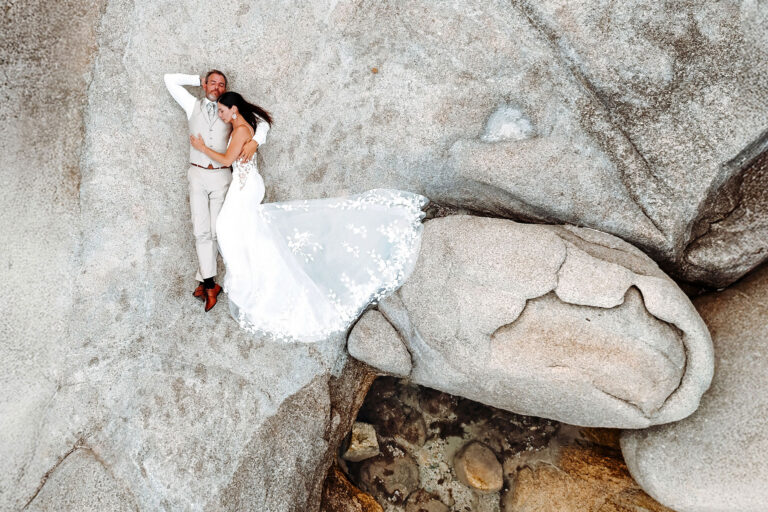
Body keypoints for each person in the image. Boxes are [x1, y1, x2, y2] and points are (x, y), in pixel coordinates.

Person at [190, 92, 428, 342]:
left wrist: (202, 148)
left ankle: (250, 273)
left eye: (222, 111)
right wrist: (255, 141)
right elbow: (262, 122)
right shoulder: (245, 123)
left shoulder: (240, 130)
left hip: (244, 185)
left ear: (234, 109)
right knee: (242, 226)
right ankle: (251, 264)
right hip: (247, 182)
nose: (220, 114)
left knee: (226, 225)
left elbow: (228, 159)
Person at [164, 70, 268, 311]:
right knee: (201, 229)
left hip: (222, 177)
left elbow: (261, 122)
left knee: (215, 230)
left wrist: (255, 142)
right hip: (197, 174)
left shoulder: (230, 109)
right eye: (212, 82)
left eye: (222, 84)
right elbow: (169, 80)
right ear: (205, 84)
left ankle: (207, 280)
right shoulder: (192, 104)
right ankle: (209, 282)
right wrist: (195, 80)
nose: (217, 87)